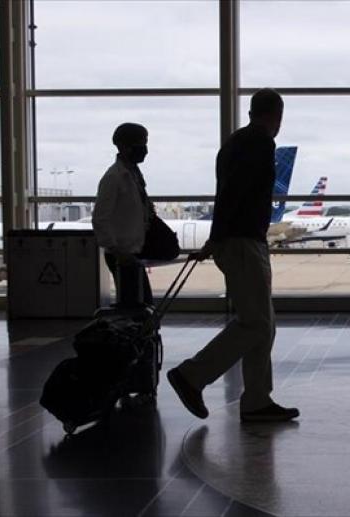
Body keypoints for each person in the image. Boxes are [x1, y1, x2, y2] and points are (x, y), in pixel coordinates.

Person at [167, 88, 299, 423]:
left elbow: (227, 194)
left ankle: (257, 400)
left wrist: (216, 239)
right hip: (242, 241)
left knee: (263, 324)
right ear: (277, 115)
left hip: (238, 240)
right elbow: (236, 195)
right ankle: (192, 375)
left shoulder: (234, 143)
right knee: (256, 323)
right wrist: (219, 237)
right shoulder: (259, 143)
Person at [93, 122, 179, 308]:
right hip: (123, 255)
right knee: (136, 306)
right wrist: (117, 251)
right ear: (124, 146)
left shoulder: (133, 175)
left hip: (131, 254)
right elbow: (100, 218)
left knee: (140, 303)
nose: (145, 149)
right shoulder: (114, 178)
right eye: (141, 143)